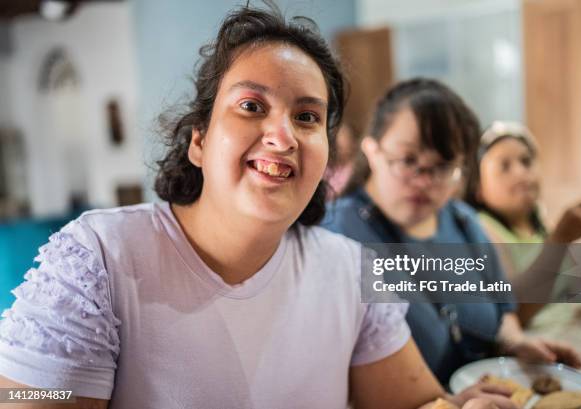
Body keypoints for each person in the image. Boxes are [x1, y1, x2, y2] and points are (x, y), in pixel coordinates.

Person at [0, 5, 517, 409]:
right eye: (251, 106)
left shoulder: (394, 250)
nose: (282, 135)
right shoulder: (100, 258)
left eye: (308, 117)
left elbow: (436, 376)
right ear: (198, 140)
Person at [322, 78, 581, 385]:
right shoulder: (336, 234)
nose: (425, 181)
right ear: (372, 150)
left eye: (443, 166)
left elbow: (502, 310)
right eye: (409, 161)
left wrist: (516, 344)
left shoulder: (462, 221)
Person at [463, 121, 581, 325]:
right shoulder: (483, 229)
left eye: (526, 161)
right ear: (479, 189)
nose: (521, 173)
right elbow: (514, 310)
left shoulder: (540, 222)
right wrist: (560, 239)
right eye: (505, 166)